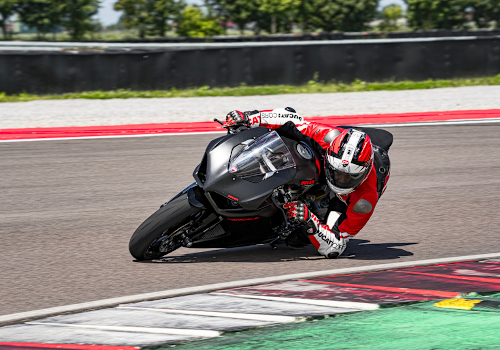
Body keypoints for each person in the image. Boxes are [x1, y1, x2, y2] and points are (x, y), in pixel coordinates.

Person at [224, 107, 391, 259]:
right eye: (337, 174)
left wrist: (310, 220)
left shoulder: (364, 200)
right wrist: (248, 118)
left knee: (295, 242)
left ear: (364, 172)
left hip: (344, 199)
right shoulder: (329, 137)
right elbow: (292, 119)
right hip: (329, 161)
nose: (341, 180)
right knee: (287, 130)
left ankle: (305, 220)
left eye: (349, 177)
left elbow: (335, 247)